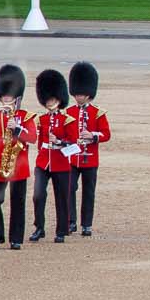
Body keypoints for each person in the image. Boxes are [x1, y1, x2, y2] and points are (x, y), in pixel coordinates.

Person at [0, 64, 31, 250]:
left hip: (19, 163)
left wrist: (17, 128)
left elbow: (32, 137)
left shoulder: (25, 116)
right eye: (4, 95)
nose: (6, 99)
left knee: (18, 202)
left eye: (9, 96)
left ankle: (16, 238)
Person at [64, 61, 110, 237]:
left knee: (88, 193)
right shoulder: (69, 112)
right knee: (69, 189)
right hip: (73, 158)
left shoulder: (98, 113)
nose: (78, 97)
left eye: (81, 94)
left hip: (90, 159)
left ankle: (87, 224)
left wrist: (93, 136)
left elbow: (106, 134)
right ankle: (71, 221)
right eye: (76, 94)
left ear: (89, 94)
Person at [31, 67, 72, 242]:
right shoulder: (41, 120)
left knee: (61, 198)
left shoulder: (67, 120)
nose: (50, 102)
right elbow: (40, 142)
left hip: (61, 163)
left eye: (53, 99)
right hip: (43, 162)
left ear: (59, 99)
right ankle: (39, 227)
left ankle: (61, 231)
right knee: (38, 195)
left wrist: (60, 142)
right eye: (47, 99)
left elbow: (75, 144)